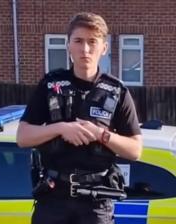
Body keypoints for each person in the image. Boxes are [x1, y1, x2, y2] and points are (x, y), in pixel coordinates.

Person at [16, 12, 142, 224]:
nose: (85, 49)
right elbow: (23, 137)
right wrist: (61, 128)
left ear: (104, 48)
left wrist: (100, 134)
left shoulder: (117, 91)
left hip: (96, 203)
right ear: (69, 46)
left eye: (92, 42)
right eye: (78, 41)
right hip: (53, 198)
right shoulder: (50, 85)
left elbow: (135, 150)